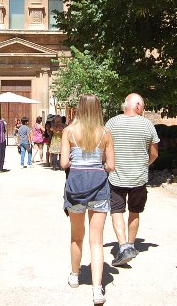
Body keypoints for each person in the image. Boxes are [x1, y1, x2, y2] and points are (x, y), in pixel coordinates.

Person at [61, 94, 115, 305]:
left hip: (76, 185)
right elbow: (111, 165)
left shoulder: (69, 132)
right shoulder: (105, 133)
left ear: (80, 109)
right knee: (97, 240)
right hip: (99, 185)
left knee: (77, 236)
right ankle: (97, 289)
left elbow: (64, 163)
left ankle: (75, 276)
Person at [106, 93, 159, 267]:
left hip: (116, 176)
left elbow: (104, 148)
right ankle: (130, 244)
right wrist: (145, 164)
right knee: (134, 212)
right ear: (137, 106)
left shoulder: (112, 123)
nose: (143, 109)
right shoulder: (148, 124)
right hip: (139, 177)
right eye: (142, 106)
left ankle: (122, 246)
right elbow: (154, 153)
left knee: (117, 211)